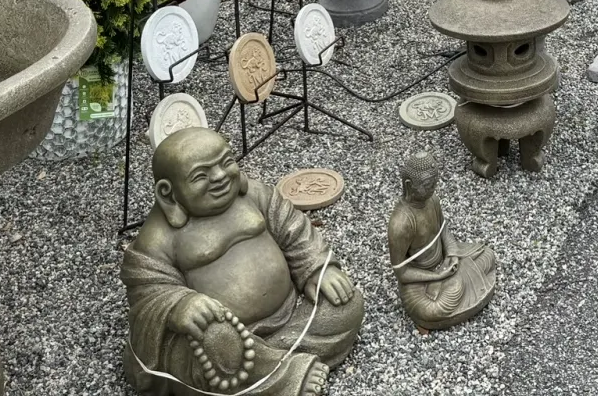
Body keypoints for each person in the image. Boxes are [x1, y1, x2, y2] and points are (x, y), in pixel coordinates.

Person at [122, 128, 363, 396]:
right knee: (216, 343)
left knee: (346, 303)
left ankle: (263, 363)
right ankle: (282, 375)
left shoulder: (255, 195)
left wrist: (316, 266)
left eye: (226, 162)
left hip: (290, 314)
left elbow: (293, 229)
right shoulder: (158, 236)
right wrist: (180, 304)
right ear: (168, 193)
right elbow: (146, 289)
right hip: (222, 331)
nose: (220, 177)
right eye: (201, 175)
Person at [387, 150, 498, 330]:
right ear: (409, 185)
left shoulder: (433, 200)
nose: (433, 189)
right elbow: (401, 272)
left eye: (435, 183)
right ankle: (457, 281)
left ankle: (457, 278)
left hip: (445, 262)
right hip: (421, 280)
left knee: (487, 255)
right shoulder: (401, 223)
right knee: (431, 309)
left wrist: (452, 253)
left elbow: (443, 230)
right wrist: (437, 276)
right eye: (428, 185)